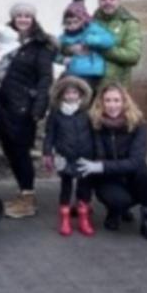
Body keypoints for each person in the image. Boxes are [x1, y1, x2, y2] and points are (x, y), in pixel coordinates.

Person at [0, 3, 54, 219]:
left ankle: (28, 200)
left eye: (27, 15)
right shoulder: (6, 38)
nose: (23, 19)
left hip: (24, 108)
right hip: (3, 105)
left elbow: (46, 78)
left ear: (33, 18)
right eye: (19, 15)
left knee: (20, 153)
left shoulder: (41, 44)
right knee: (11, 151)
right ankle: (23, 194)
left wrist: (39, 109)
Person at [82, 83, 147, 241]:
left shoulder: (138, 124)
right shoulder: (94, 124)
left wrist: (102, 166)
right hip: (107, 178)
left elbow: (136, 161)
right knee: (118, 201)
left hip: (131, 175)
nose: (112, 105)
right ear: (101, 103)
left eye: (117, 100)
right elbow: (96, 155)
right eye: (108, 100)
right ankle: (115, 210)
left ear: (125, 101)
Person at [43, 76, 97, 236]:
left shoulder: (86, 113)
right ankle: (65, 219)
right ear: (61, 95)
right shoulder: (56, 114)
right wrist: (47, 152)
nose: (71, 96)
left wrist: (98, 154)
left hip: (85, 156)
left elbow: (95, 134)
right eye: (68, 93)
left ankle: (83, 218)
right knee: (66, 187)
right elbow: (50, 135)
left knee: (84, 188)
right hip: (64, 157)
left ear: (80, 95)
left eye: (74, 92)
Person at [57, 0, 115, 91]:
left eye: (75, 22)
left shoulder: (91, 29)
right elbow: (52, 52)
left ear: (82, 20)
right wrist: (62, 59)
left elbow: (109, 40)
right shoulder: (63, 37)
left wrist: (91, 40)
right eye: (68, 23)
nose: (72, 26)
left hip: (93, 72)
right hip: (74, 72)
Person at [93, 0, 143, 89]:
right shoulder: (91, 22)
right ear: (98, 0)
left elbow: (133, 56)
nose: (108, 2)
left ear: (119, 0)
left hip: (117, 89)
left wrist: (103, 50)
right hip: (92, 85)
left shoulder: (129, 23)